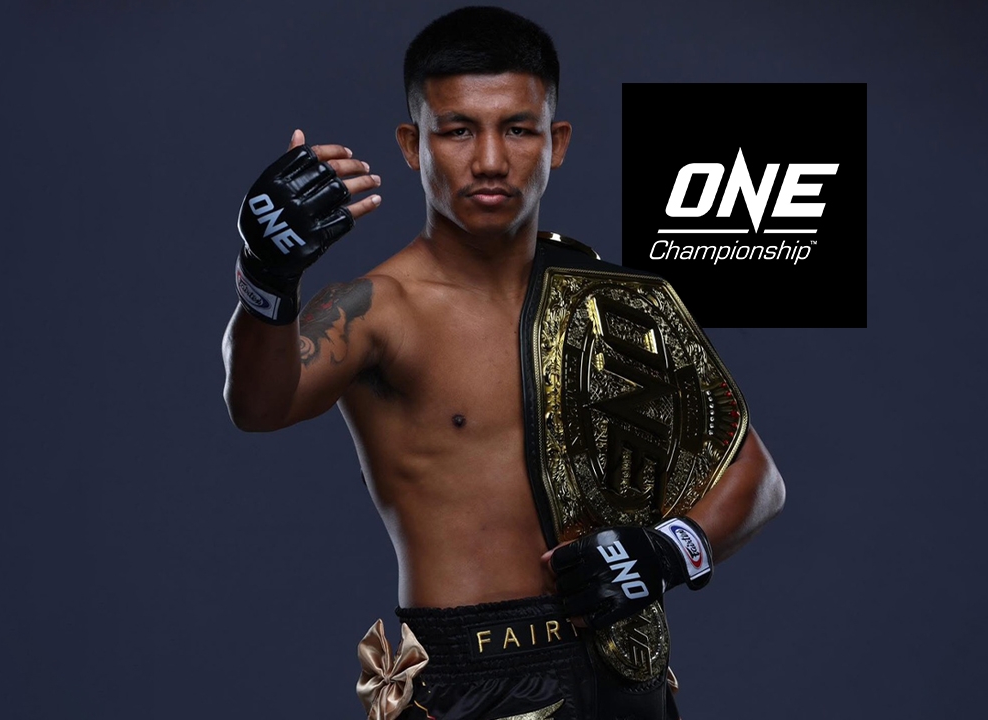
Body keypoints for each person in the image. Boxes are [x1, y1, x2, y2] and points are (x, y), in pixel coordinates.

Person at [221, 6, 784, 719]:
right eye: (457, 130)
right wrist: (266, 275)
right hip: (478, 685)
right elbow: (259, 404)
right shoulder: (378, 310)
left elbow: (755, 476)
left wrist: (669, 551)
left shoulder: (619, 303)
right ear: (412, 145)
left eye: (517, 129)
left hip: (628, 676)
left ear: (556, 143)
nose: (490, 160)